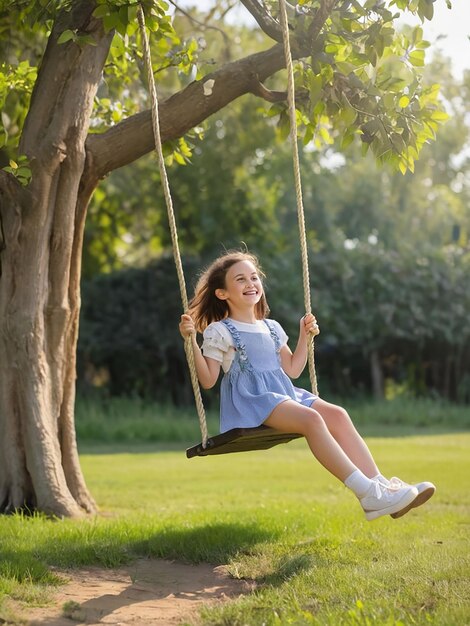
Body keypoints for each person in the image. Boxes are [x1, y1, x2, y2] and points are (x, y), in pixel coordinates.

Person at [179, 250, 435, 521]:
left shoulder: (272, 327)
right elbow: (207, 380)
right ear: (222, 293)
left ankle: (382, 487)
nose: (250, 283)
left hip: (283, 394)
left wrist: (304, 336)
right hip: (253, 400)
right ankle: (367, 493)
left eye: (254, 277)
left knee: (338, 414)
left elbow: (292, 369)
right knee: (312, 419)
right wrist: (191, 342)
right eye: (240, 279)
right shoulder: (219, 331)